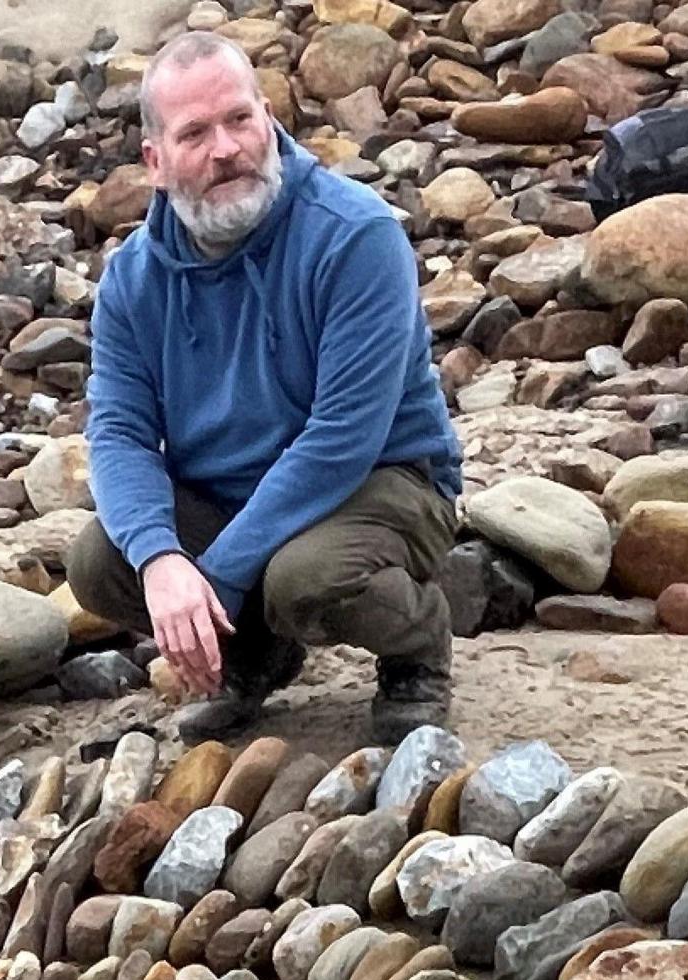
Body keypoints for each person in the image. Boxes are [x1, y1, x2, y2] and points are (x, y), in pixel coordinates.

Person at [68, 29, 464, 744]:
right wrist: (161, 561)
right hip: (233, 493)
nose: (227, 149)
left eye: (240, 119)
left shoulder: (355, 237)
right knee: (102, 563)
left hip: (383, 480)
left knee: (302, 579)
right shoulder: (132, 281)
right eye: (195, 133)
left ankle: (419, 645)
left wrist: (214, 577)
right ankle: (258, 653)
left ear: (268, 117)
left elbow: (343, 440)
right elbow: (120, 434)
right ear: (155, 163)